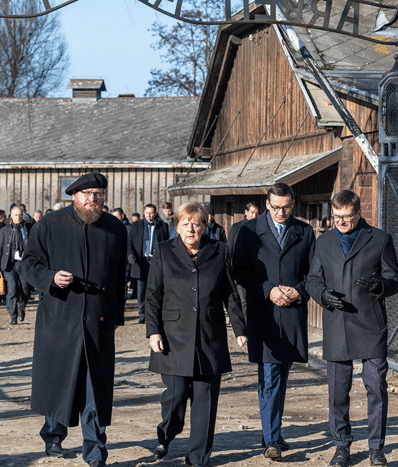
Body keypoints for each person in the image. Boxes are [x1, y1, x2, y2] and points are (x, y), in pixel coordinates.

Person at [19, 172, 127, 467]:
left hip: (98, 322)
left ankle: (95, 451)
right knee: (59, 382)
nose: (94, 199)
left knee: (96, 388)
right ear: (74, 196)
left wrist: (116, 315)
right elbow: (28, 265)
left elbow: (119, 276)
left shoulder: (115, 228)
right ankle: (53, 436)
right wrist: (50, 277)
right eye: (88, 194)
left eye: (99, 194)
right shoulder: (49, 225)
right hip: (59, 318)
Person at [146, 203, 247, 467]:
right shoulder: (164, 251)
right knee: (176, 396)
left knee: (205, 401)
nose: (191, 229)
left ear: (205, 226)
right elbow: (153, 294)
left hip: (208, 336)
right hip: (173, 337)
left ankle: (197, 459)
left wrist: (239, 329)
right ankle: (167, 432)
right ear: (176, 226)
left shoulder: (218, 250)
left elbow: (230, 294)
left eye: (196, 224)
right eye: (185, 224)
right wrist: (153, 330)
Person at [306, 190, 398, 467]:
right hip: (337, 324)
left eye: (347, 217)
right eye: (336, 217)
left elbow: (395, 279)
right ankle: (341, 446)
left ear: (359, 213)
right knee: (337, 392)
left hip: (371, 325)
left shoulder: (380, 239)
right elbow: (312, 280)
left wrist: (380, 286)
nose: (341, 222)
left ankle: (376, 449)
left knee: (376, 388)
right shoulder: (323, 242)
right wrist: (323, 295)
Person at [233, 183, 315, 461]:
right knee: (269, 377)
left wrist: (299, 291)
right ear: (266, 204)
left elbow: (313, 273)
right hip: (263, 313)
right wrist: (268, 288)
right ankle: (271, 441)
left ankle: (274, 432)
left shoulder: (304, 231)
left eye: (287, 207)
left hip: (291, 314)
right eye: (276, 207)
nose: (281, 212)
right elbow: (240, 271)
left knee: (282, 374)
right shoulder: (249, 230)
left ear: (294, 204)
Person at [128, 204, 170, 324]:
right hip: (141, 261)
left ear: (156, 213)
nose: (149, 215)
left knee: (156, 288)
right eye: (147, 213)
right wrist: (130, 255)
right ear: (144, 212)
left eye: (151, 213)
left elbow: (167, 244)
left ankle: (155, 314)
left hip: (156, 262)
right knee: (141, 290)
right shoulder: (136, 225)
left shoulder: (163, 226)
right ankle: (142, 315)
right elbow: (129, 242)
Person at [0, 206, 33, 324]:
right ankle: (13, 316)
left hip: (24, 264)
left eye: (20, 215)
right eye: (16, 215)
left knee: (26, 290)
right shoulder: (4, 230)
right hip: (9, 264)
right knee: (12, 290)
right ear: (11, 216)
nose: (18, 217)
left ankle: (21, 307)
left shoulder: (29, 228)